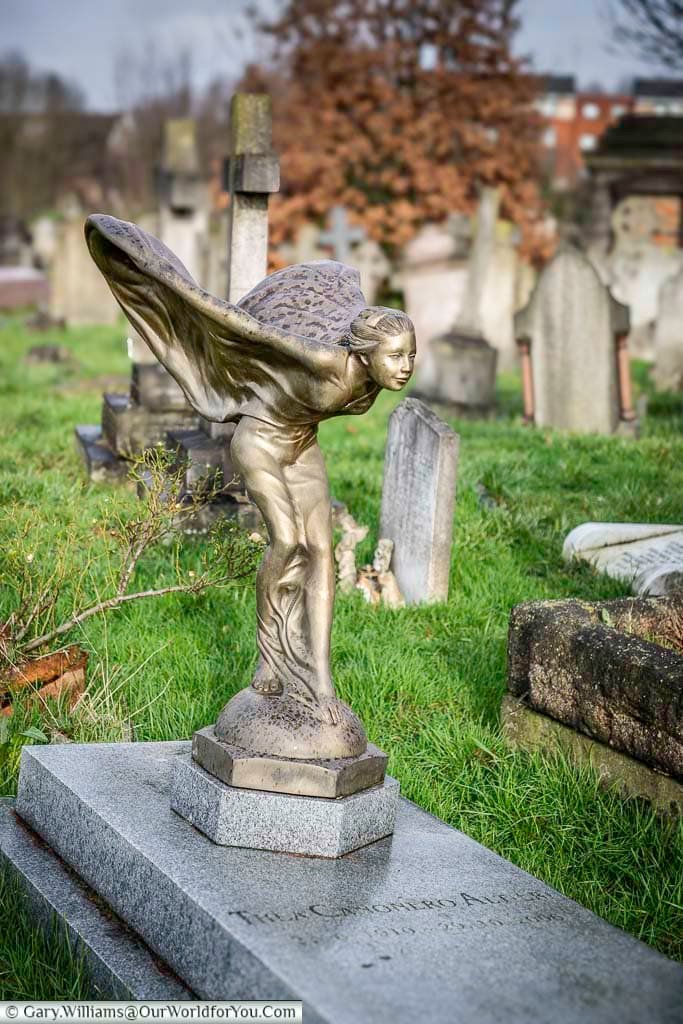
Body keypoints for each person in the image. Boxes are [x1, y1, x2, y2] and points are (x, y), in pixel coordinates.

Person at [86, 215, 415, 726]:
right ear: (365, 354)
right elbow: (245, 329)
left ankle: (320, 677)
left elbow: (334, 287)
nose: (406, 365)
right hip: (259, 441)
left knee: (322, 550)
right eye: (396, 355)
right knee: (286, 542)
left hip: (301, 445)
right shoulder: (324, 361)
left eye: (410, 354)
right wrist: (160, 276)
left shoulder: (371, 381)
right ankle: (271, 655)